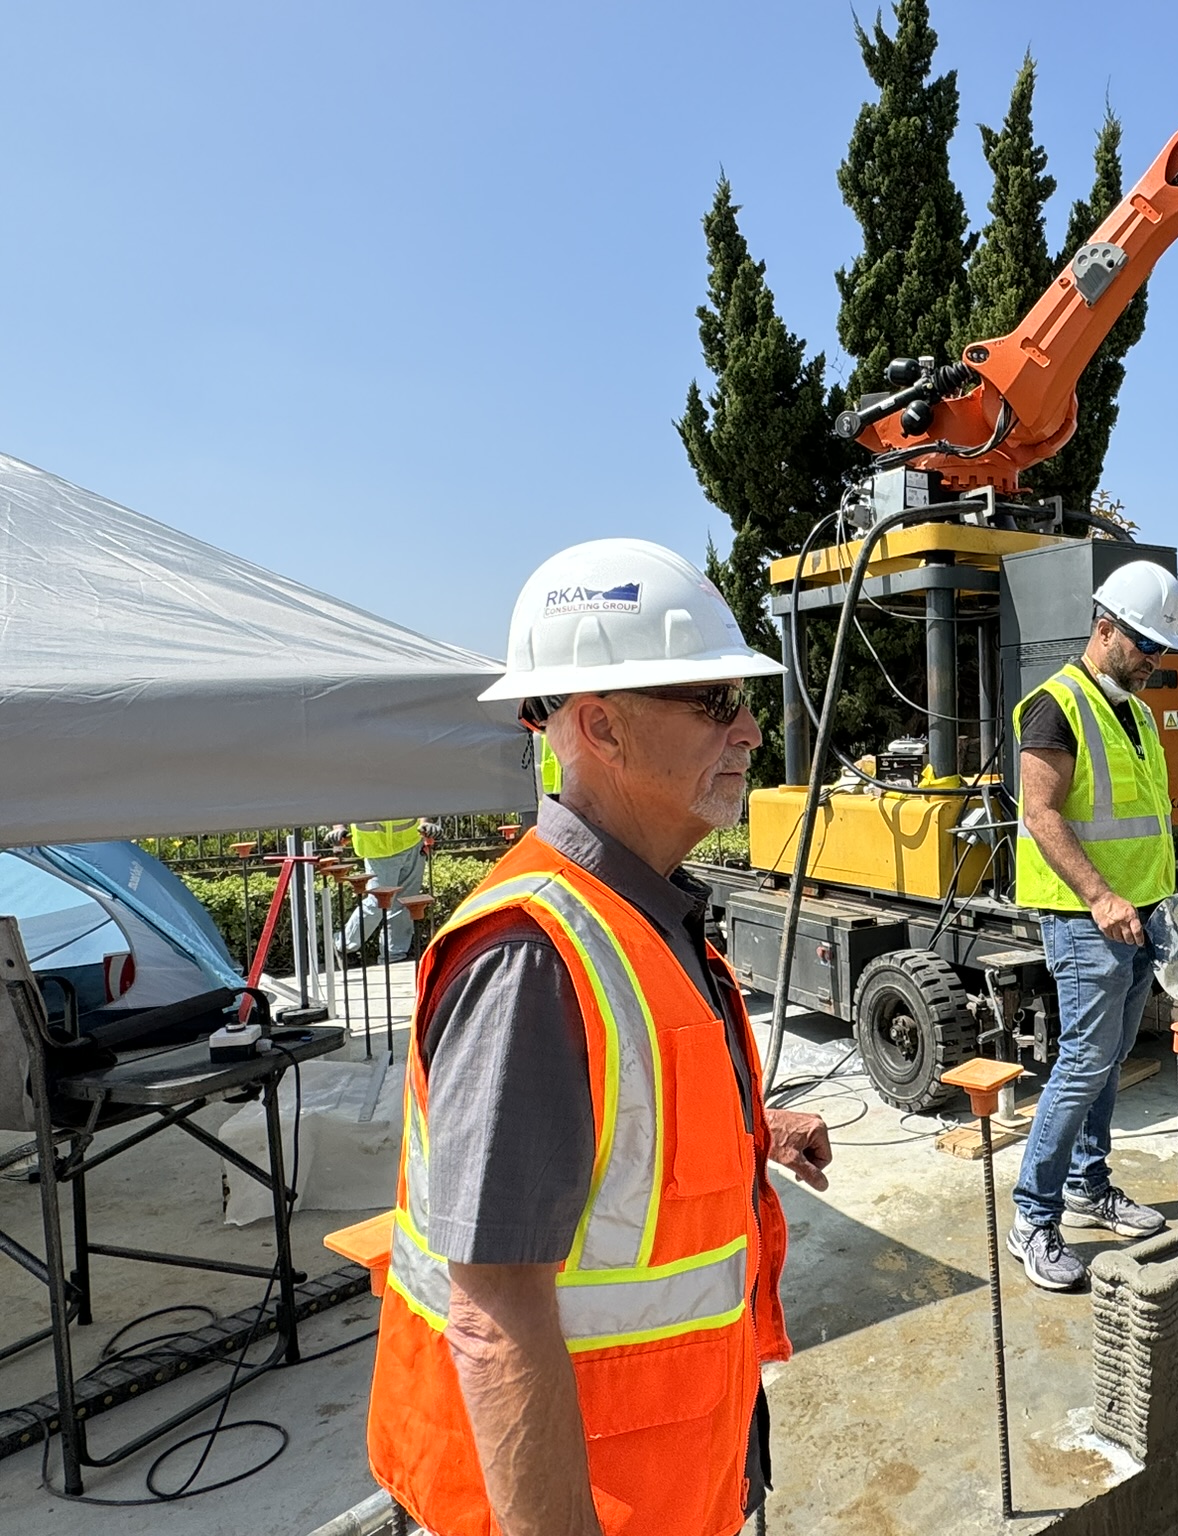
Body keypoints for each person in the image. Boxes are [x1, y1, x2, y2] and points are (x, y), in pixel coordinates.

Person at [366, 538, 834, 1536]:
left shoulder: (635, 912)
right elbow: (493, 1314)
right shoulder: (531, 958)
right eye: (715, 701)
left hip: (673, 1484)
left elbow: (627, 1149)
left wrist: (751, 1132)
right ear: (600, 726)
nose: (751, 729)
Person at [1008, 559, 1178, 1290]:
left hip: (1140, 919)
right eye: (1146, 646)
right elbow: (1041, 813)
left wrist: (1156, 905)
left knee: (1107, 1062)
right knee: (1081, 1067)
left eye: (1162, 649)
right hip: (1087, 921)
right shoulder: (1055, 706)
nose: (1155, 661)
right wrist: (1099, 895)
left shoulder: (1135, 711)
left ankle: (1087, 1185)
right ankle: (1032, 1216)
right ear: (1105, 629)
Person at [342, 817, 427, 958]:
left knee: (406, 903)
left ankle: (394, 955)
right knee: (378, 903)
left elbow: (421, 803)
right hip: (377, 848)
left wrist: (425, 823)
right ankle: (343, 944)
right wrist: (338, 827)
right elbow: (339, 806)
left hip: (412, 842)